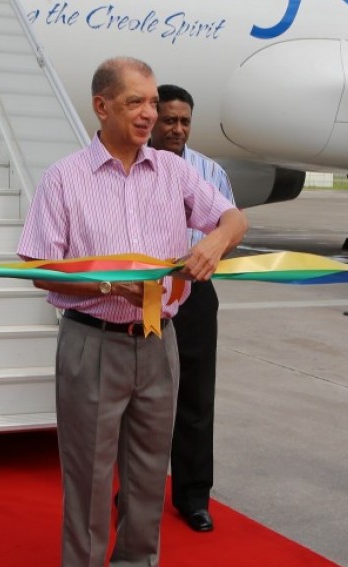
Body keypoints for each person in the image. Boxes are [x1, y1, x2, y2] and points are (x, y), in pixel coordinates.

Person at [17, 57, 247, 567]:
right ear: (102, 107)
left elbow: (231, 215)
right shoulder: (65, 179)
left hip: (159, 342)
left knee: (148, 476)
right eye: (135, 103)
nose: (150, 114)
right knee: (89, 479)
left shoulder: (173, 173)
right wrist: (102, 285)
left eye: (152, 102)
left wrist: (214, 244)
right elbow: (39, 266)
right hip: (93, 340)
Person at [148, 83, 235, 534]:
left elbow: (229, 224)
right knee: (142, 399)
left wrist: (212, 248)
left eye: (184, 121)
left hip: (196, 293)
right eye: (169, 120)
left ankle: (193, 497)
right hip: (144, 296)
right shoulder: (135, 167)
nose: (177, 129)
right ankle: (138, 490)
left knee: (196, 398)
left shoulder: (210, 172)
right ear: (152, 119)